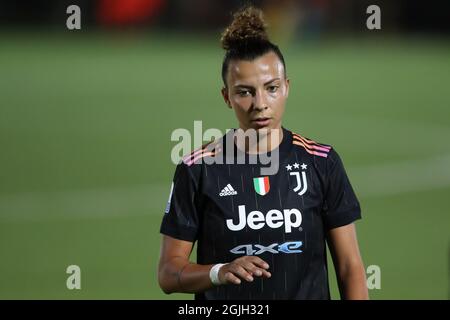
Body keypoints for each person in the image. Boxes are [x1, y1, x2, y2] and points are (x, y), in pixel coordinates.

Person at [158, 6, 368, 300]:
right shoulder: (199, 168)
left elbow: (350, 268)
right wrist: (219, 272)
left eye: (271, 88)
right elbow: (169, 273)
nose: (260, 103)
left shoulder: (321, 162)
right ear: (226, 97)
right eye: (244, 91)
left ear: (287, 88)